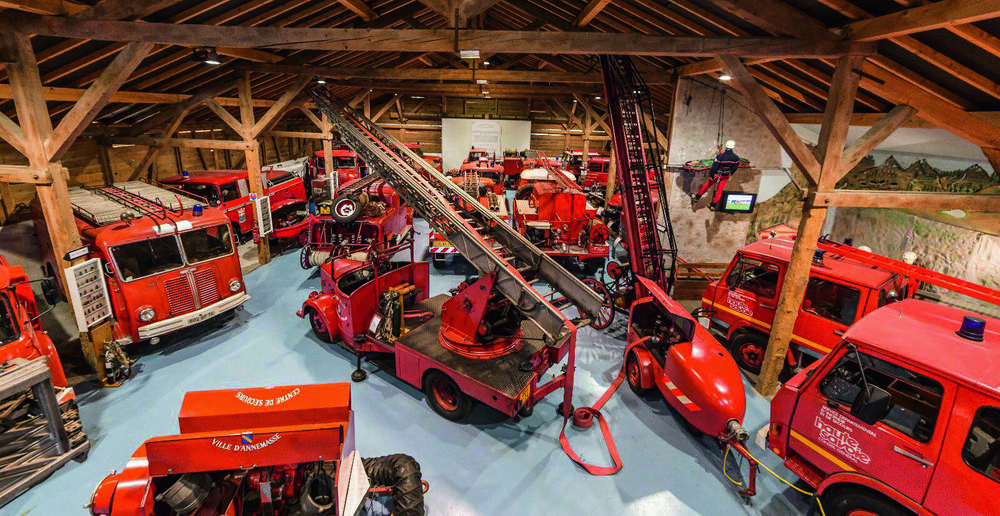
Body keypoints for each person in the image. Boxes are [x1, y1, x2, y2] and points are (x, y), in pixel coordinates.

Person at [691, 140, 742, 210]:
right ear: (733, 147)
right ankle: (713, 205)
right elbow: (734, 168)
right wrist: (730, 174)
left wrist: (712, 175)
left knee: (707, 185)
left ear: (726, 146)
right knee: (719, 190)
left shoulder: (720, 156)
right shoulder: (736, 158)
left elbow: (714, 167)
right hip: (725, 176)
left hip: (716, 175)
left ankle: (697, 197)